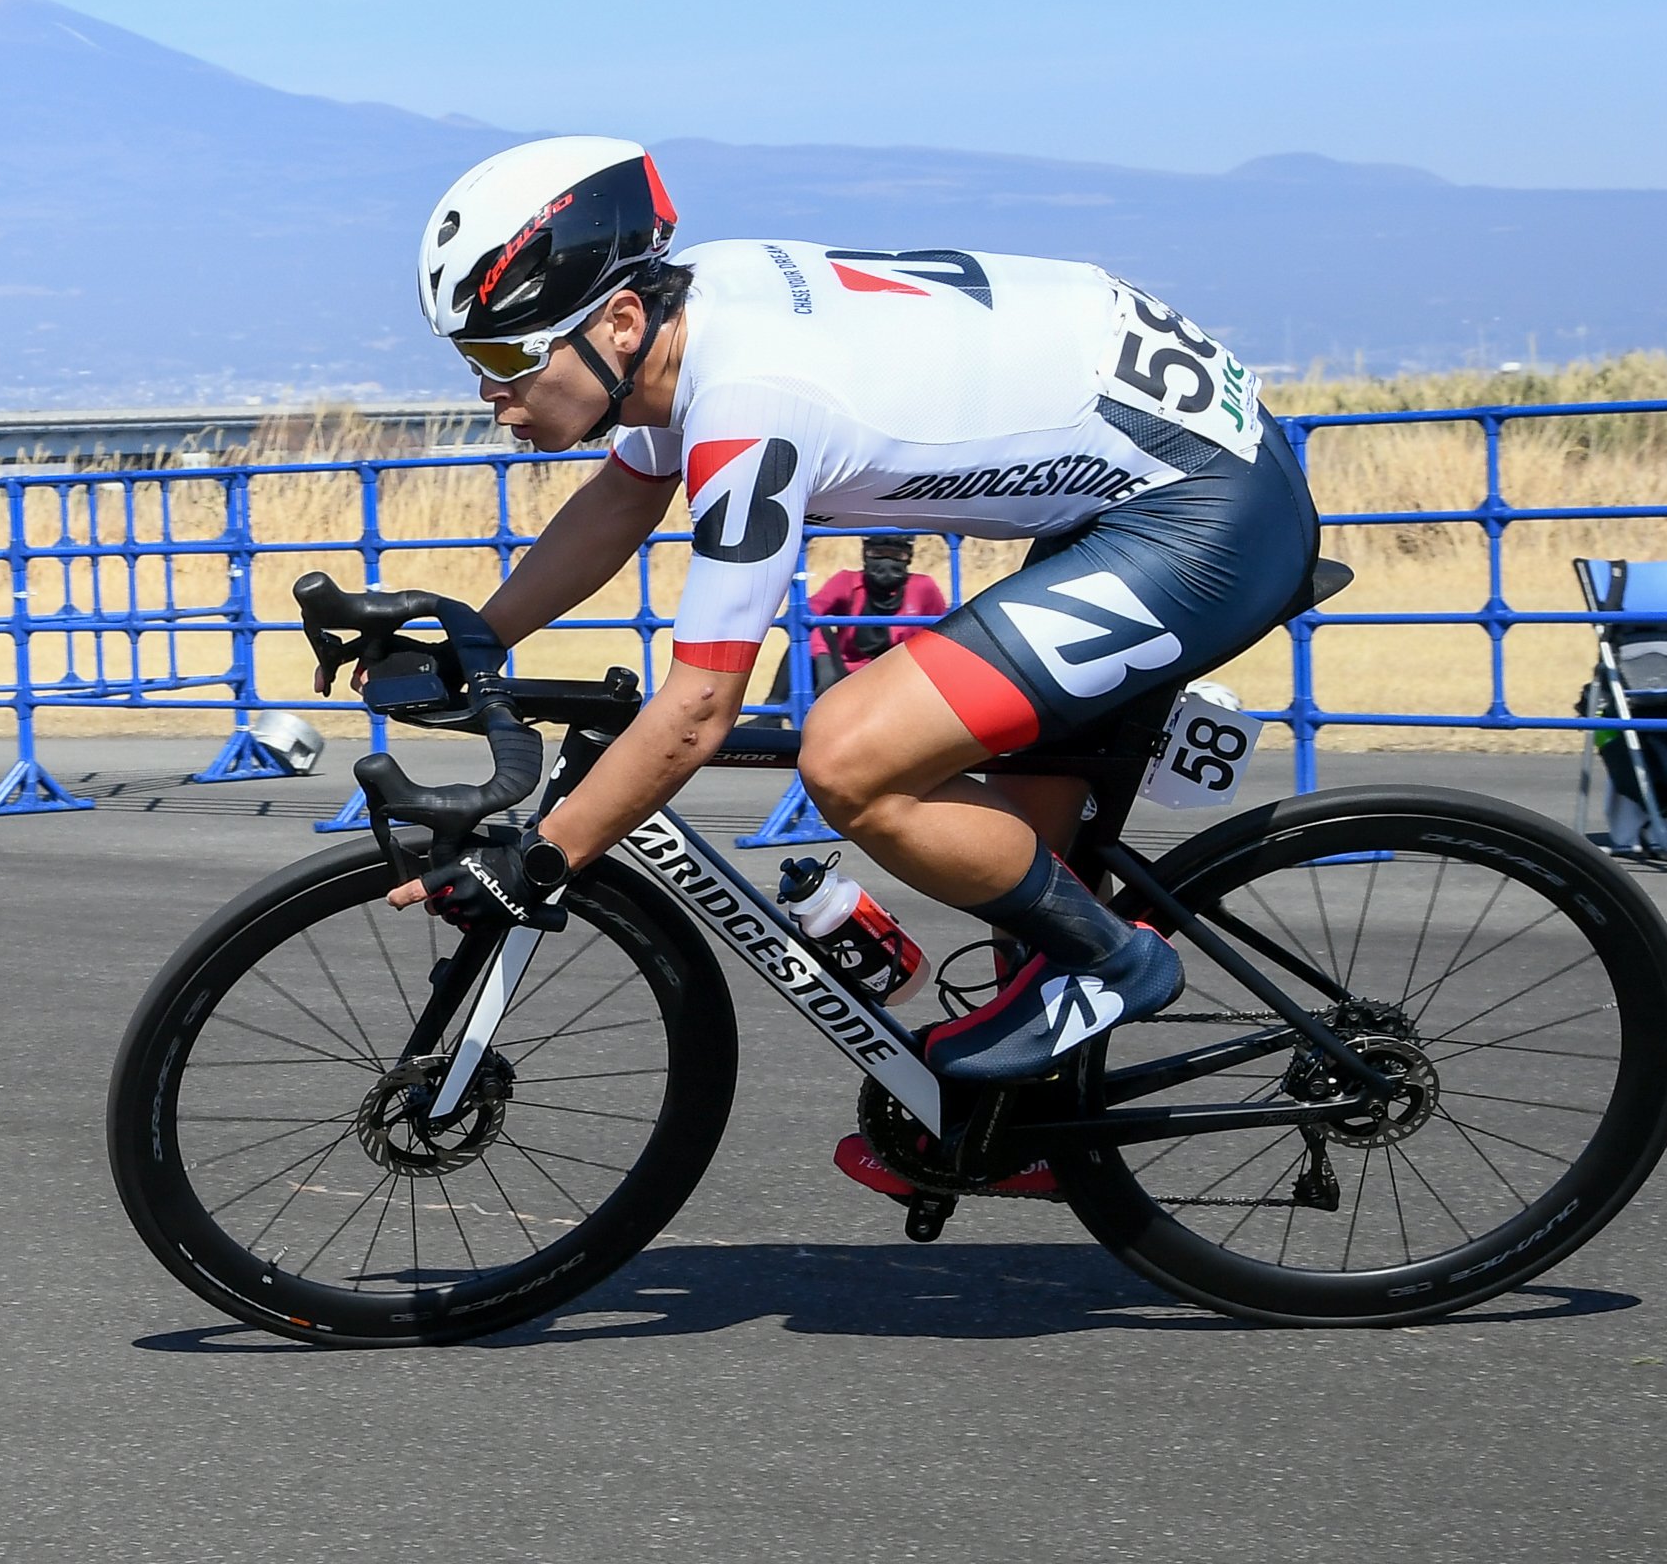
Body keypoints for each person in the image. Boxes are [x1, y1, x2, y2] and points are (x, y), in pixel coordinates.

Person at [392, 133, 1317, 1130]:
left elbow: (698, 711)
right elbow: (623, 500)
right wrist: (473, 638)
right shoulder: (691, 309)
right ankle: (1039, 1138)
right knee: (1024, 877)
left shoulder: (753, 407)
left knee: (851, 755)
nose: (489, 396)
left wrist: (541, 859)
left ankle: (1121, 964)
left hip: (1202, 519)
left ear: (618, 320)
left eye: (501, 360)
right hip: (1144, 485)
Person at [804, 534, 946, 685]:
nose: (886, 563)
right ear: (865, 555)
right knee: (803, 641)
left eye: (896, 555)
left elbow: (947, 630)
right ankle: (779, 704)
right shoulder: (847, 581)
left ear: (908, 557)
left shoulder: (923, 588)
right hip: (848, 676)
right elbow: (808, 612)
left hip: (902, 677)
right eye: (877, 554)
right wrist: (823, 659)